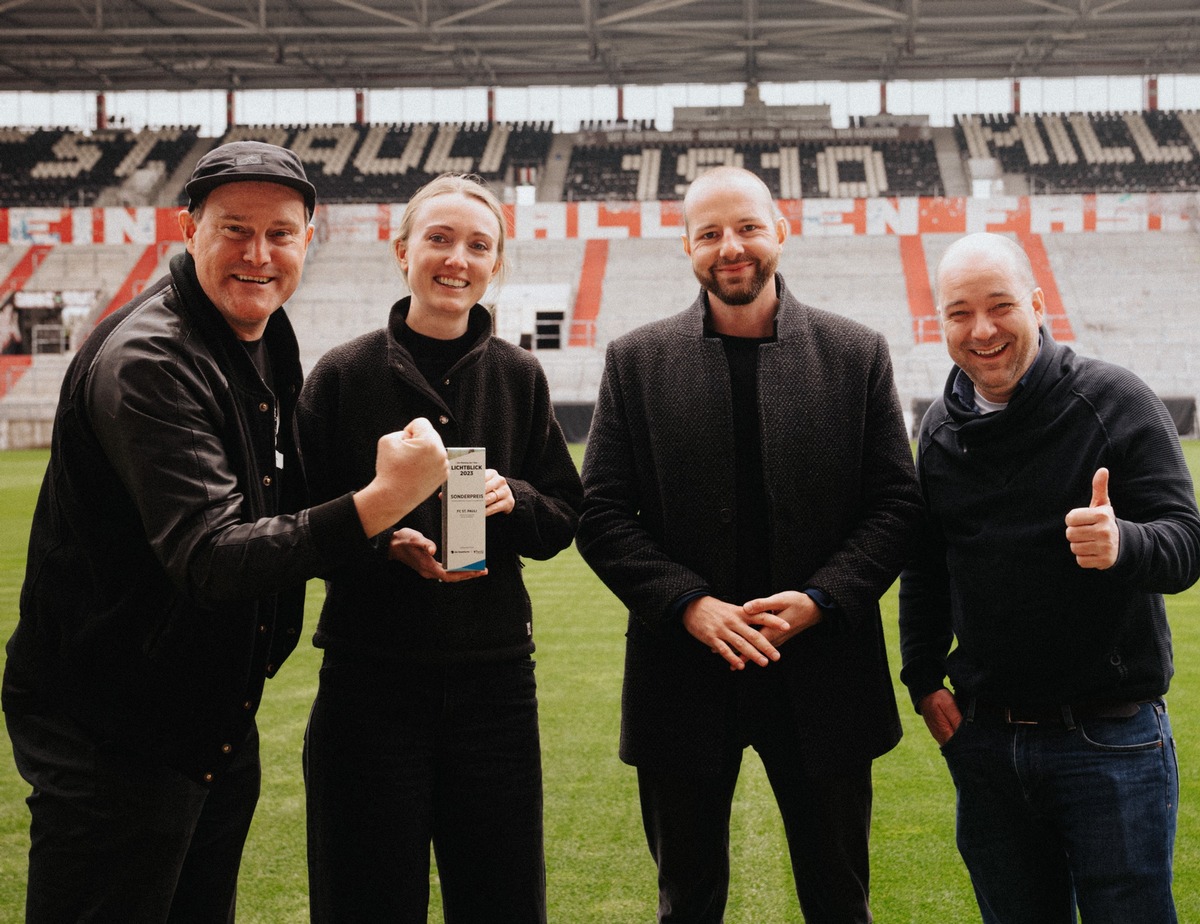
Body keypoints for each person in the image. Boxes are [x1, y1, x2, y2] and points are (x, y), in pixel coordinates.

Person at [2, 140, 450, 923]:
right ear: (188, 228)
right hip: (114, 730)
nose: (258, 254)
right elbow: (209, 556)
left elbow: (279, 491)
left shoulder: (260, 337)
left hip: (204, 717)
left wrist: (376, 539)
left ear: (309, 239)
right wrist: (381, 502)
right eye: (234, 229)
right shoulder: (151, 358)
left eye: (280, 233)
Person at [576, 165, 921, 924]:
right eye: (710, 234)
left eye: (747, 228)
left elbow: (897, 504)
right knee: (687, 902)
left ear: (781, 232)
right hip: (683, 673)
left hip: (823, 671)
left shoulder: (855, 352)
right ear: (687, 247)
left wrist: (823, 599)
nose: (730, 248)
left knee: (839, 899)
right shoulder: (636, 360)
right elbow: (600, 513)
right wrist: (689, 604)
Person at [297, 173, 582, 924]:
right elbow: (293, 528)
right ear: (402, 252)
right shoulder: (341, 375)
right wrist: (382, 541)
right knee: (364, 900)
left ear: (496, 266)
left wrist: (512, 498)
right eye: (440, 239)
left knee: (502, 900)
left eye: (478, 246)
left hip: (493, 685)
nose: (458, 259)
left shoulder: (519, 376)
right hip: (369, 680)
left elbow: (562, 517)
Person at [899, 231, 1200, 923]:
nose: (982, 330)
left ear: (1037, 304)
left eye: (1000, 306)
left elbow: (1186, 541)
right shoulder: (941, 430)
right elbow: (926, 564)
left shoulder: (1115, 399)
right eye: (960, 313)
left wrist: (1123, 543)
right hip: (987, 744)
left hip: (1110, 739)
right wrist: (921, 680)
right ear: (938, 321)